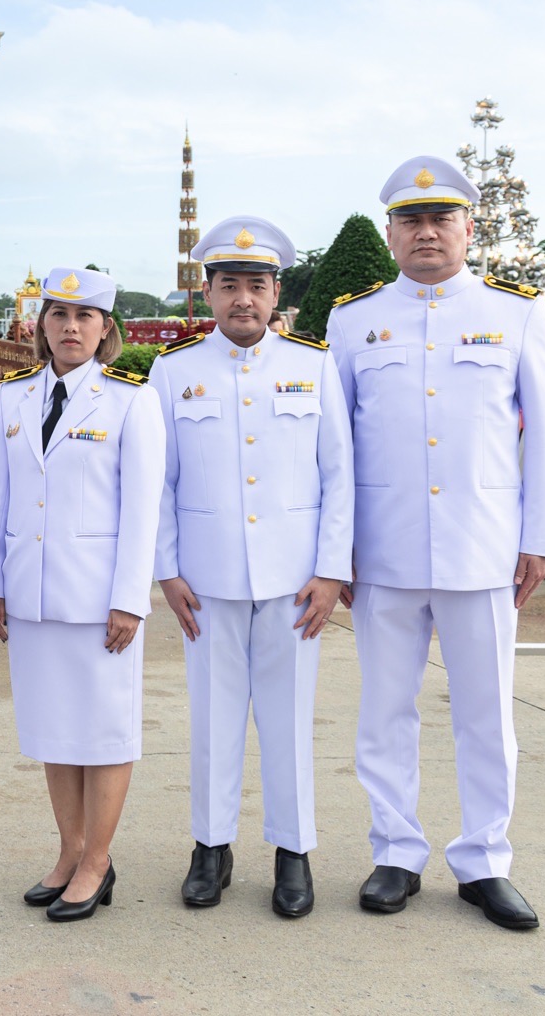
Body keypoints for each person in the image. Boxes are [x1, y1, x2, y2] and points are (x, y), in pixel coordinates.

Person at [326, 156, 545, 931]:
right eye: (410, 221)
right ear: (391, 234)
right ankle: (395, 851)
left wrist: (540, 539)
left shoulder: (518, 313)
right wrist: (338, 550)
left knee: (486, 712)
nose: (426, 233)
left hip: (485, 547)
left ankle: (485, 860)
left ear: (469, 228)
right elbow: (335, 448)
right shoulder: (353, 319)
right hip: (383, 551)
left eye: (441, 220)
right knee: (386, 710)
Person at [151, 219, 352, 918]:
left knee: (290, 718)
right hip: (205, 583)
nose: (243, 298)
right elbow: (161, 482)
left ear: (276, 294)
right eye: (229, 284)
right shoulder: (174, 371)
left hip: (297, 581)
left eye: (256, 285)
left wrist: (331, 570)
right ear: (207, 292)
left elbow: (338, 476)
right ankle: (212, 847)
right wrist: (167, 569)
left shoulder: (313, 365)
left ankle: (292, 852)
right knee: (212, 718)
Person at [0, 266, 162, 922]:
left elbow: (143, 510)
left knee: (105, 732)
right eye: (59, 316)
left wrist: (130, 599)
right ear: (41, 325)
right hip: (32, 595)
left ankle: (97, 860)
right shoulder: (16, 398)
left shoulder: (130, 400)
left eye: (85, 317)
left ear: (105, 328)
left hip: (98, 600)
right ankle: (68, 849)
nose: (71, 328)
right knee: (55, 730)